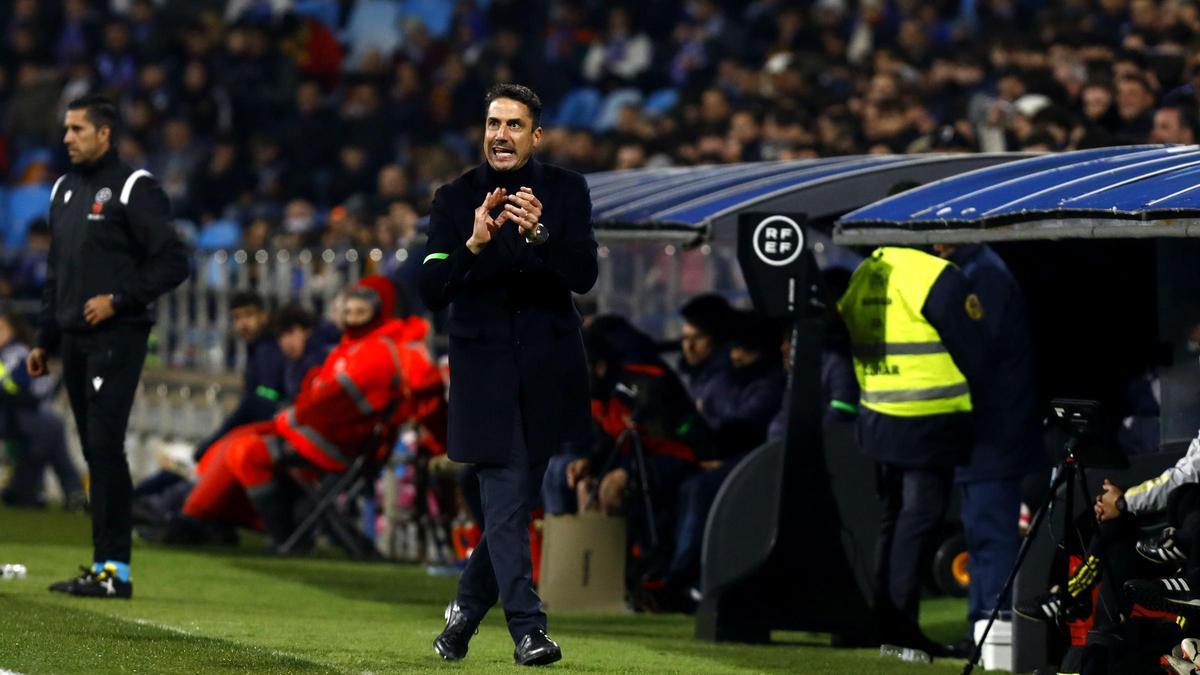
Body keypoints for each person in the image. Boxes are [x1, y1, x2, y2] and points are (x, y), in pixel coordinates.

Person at [419, 83, 597, 667]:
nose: (501, 134)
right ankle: (528, 629)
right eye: (494, 123)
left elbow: (584, 274)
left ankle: (464, 613)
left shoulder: (567, 191)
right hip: (486, 373)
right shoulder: (454, 199)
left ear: (535, 135)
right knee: (506, 501)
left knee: (515, 503)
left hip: (549, 367)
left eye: (514, 125)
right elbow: (429, 287)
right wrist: (471, 245)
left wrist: (543, 236)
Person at [31, 94, 190, 599]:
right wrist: (45, 338)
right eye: (66, 129)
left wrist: (118, 300)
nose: (67, 138)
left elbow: (172, 261)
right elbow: (59, 271)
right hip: (75, 338)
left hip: (116, 336)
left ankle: (114, 570)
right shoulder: (62, 190)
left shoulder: (132, 188)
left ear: (104, 133)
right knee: (95, 450)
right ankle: (104, 566)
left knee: (104, 446)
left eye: (77, 129)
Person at [177, 276, 444, 547]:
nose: (352, 319)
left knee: (243, 451)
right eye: (348, 312)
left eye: (360, 312)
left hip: (337, 443)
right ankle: (197, 517)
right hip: (326, 435)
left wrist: (291, 415)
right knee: (235, 446)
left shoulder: (373, 351)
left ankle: (268, 533)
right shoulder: (356, 346)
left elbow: (333, 400)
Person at [838, 246, 988, 655]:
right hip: (928, 419)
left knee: (893, 521)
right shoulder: (935, 274)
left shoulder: (865, 271)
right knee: (919, 520)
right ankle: (900, 627)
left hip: (878, 416)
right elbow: (976, 350)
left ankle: (883, 620)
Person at [932, 243, 1044, 636]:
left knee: (992, 535)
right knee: (982, 534)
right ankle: (983, 628)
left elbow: (980, 351)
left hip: (994, 432)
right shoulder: (978, 270)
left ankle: (998, 632)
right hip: (985, 431)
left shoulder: (984, 275)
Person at [0, 310, 86, 510]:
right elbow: (30, 392)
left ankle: (23, 489)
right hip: (12, 413)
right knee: (51, 428)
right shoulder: (19, 354)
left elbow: (33, 389)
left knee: (48, 431)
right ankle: (68, 491)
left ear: (14, 331)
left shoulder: (17, 354)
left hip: (14, 412)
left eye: (2, 329)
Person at [193, 291, 286, 463]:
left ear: (264, 316)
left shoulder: (268, 349)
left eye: (249, 315)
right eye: (237, 318)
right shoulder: (258, 348)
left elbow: (265, 396)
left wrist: (214, 441)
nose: (243, 323)